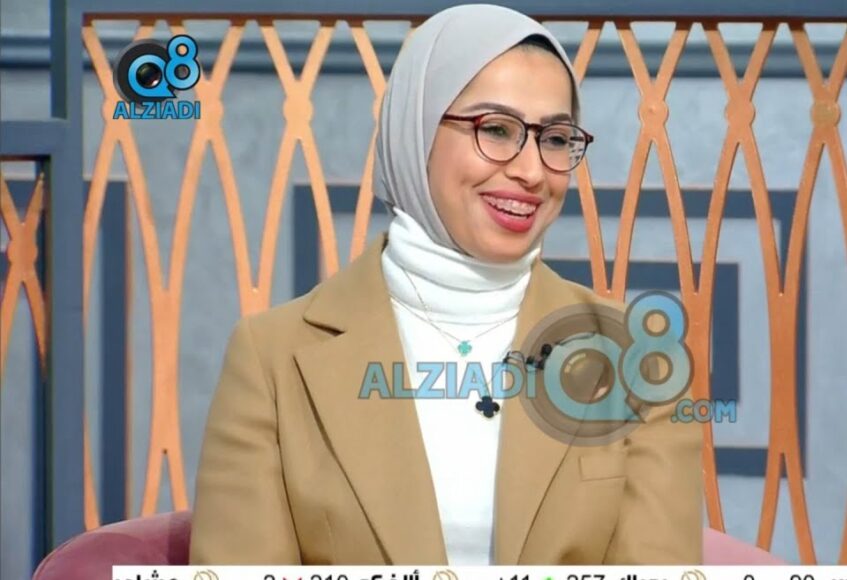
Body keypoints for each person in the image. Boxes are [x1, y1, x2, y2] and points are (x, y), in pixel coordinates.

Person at [189, 3, 703, 565]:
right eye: (496, 130)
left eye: (555, 139)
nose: (532, 171)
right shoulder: (270, 358)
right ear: (416, 132)